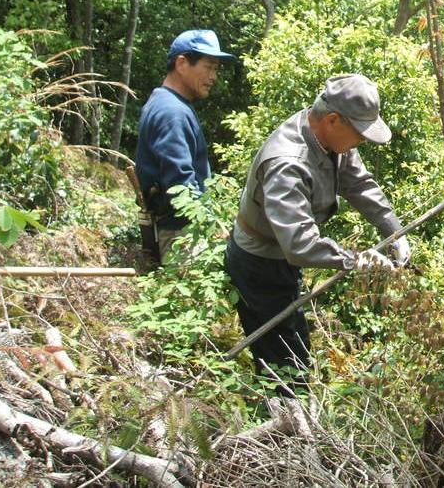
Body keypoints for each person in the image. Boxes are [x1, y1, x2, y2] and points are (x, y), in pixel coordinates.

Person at [225, 73, 412, 389]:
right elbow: (298, 244)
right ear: (333, 120)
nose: (363, 141)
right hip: (260, 263)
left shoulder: (332, 138)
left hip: (283, 257)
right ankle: (284, 426)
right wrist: (355, 259)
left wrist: (395, 231)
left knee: (294, 348)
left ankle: (291, 413)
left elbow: (358, 183)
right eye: (360, 133)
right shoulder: (286, 162)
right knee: (281, 359)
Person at [135, 29, 235, 263]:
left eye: (216, 69)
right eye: (208, 66)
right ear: (181, 63)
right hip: (183, 236)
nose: (213, 77)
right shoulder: (172, 112)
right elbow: (180, 182)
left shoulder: (165, 103)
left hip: (180, 231)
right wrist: (210, 226)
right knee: (198, 301)